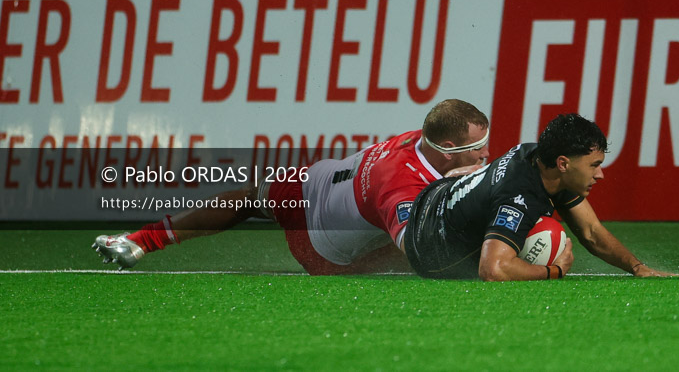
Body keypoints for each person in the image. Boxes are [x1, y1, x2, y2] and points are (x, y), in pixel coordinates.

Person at [93, 99, 490, 274]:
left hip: (315, 181)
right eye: (478, 150)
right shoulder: (401, 190)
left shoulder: (418, 140)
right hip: (322, 251)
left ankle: (138, 240)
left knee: (249, 195)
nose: (486, 155)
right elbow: (421, 254)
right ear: (448, 149)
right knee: (431, 245)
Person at [403, 113, 676, 281]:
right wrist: (554, 272)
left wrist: (637, 267)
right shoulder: (518, 197)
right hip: (426, 246)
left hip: (438, 194)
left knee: (537, 227)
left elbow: (591, 231)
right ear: (563, 163)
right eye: (594, 165)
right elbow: (493, 270)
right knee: (547, 232)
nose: (600, 175)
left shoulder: (540, 157)